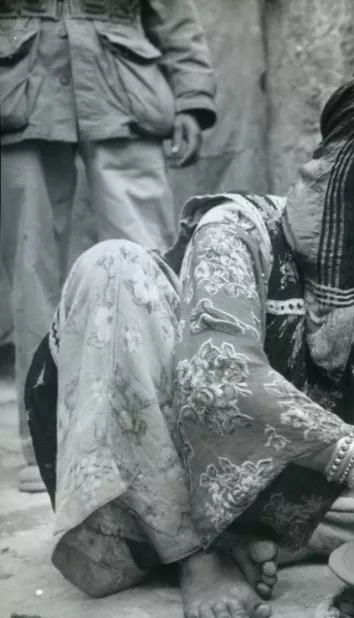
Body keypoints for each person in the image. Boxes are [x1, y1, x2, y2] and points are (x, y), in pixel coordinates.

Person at [25, 63, 354, 618]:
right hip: (163, 453)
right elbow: (220, 379)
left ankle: (261, 539)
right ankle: (195, 554)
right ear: (343, 161)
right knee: (112, 266)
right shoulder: (237, 230)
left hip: (279, 473)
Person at [0, 0, 217, 492]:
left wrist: (190, 100)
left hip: (125, 92)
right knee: (30, 271)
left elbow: (176, 17)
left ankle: (167, 430)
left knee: (148, 265)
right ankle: (46, 442)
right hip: (17, 93)